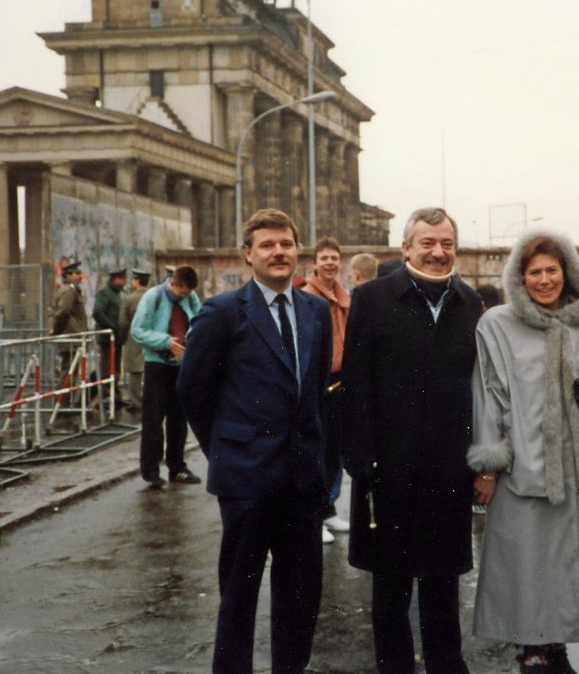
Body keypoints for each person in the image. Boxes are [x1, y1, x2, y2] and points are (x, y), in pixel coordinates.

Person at [468, 228, 579, 673]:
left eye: (552, 270)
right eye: (534, 272)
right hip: (522, 465)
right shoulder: (497, 324)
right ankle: (531, 646)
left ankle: (556, 643)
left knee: (569, 559)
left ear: (568, 271)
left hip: (577, 465)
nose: (544, 280)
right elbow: (489, 393)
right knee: (526, 562)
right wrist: (489, 463)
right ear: (518, 277)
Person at [178, 208, 332, 674]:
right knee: (239, 599)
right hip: (247, 481)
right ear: (248, 254)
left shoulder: (315, 310)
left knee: (300, 597)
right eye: (267, 245)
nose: (278, 252)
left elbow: (317, 387)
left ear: (297, 250)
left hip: (302, 481)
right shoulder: (223, 312)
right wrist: (224, 451)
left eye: (286, 243)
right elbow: (193, 389)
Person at [341, 207, 481, 674]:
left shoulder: (469, 302)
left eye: (446, 244)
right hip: (389, 469)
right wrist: (361, 459)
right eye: (427, 243)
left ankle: (447, 665)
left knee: (443, 585)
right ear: (406, 249)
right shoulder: (373, 298)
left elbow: (479, 389)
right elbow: (355, 384)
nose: (438, 253)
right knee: (391, 588)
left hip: (448, 469)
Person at [130, 264, 202, 489]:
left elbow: (200, 320)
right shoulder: (154, 297)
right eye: (182, 292)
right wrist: (165, 341)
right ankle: (150, 471)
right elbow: (137, 330)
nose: (184, 296)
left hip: (181, 365)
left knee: (179, 420)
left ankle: (177, 467)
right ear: (173, 284)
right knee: (153, 420)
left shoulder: (189, 298)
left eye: (188, 293)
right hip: (158, 365)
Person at [304, 236, 352, 544]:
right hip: (318, 383)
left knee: (335, 449)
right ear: (314, 263)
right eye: (324, 258)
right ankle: (314, 515)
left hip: (343, 382)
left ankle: (330, 508)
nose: (330, 263)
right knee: (316, 451)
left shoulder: (345, 297)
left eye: (334, 258)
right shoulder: (307, 297)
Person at [117, 269, 150, 415]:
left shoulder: (129, 299)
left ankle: (136, 402)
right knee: (150, 369)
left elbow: (123, 322)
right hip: (152, 336)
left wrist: (122, 339)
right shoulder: (154, 296)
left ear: (136, 281)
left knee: (134, 372)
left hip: (134, 337)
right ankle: (151, 400)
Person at [92, 267, 127, 402]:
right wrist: (112, 327)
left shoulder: (119, 294)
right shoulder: (104, 293)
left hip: (117, 338)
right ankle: (105, 394)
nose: (124, 282)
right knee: (107, 366)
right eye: (122, 279)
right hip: (107, 337)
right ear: (115, 279)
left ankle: (114, 394)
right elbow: (97, 313)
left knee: (116, 367)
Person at [49, 261, 87, 335]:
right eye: (77, 274)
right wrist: (56, 331)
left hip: (75, 334)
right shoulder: (68, 291)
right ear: (68, 275)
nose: (80, 277)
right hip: (71, 335)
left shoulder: (72, 290)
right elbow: (63, 312)